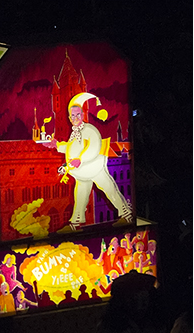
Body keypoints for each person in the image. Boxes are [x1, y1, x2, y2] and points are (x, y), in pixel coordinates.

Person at [42, 92, 133, 232]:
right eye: (73, 116)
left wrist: (81, 159)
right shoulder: (74, 132)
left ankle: (127, 215)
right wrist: (57, 145)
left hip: (94, 168)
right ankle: (75, 224)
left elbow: (94, 146)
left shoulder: (90, 130)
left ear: (83, 115)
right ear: (69, 118)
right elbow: (70, 147)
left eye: (78, 114)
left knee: (109, 189)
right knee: (80, 196)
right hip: (83, 173)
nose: (75, 118)